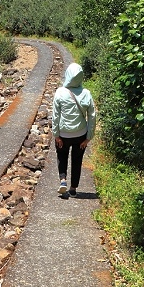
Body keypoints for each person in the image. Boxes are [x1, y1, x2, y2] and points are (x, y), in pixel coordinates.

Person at [51, 62, 96, 198]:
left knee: (62, 156)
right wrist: (88, 137)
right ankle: (73, 189)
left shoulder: (60, 92)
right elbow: (92, 116)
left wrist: (56, 135)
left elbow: (55, 116)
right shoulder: (86, 93)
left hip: (63, 134)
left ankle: (63, 180)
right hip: (81, 135)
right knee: (77, 161)